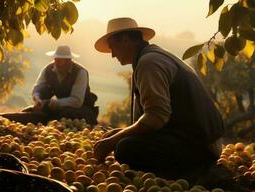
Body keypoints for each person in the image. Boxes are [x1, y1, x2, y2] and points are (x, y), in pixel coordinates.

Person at [93, 17, 225, 181]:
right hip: (197, 139)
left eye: (113, 47)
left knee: (125, 148)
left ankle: (186, 175)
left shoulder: (149, 63)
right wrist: (120, 133)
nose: (112, 55)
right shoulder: (154, 57)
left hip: (200, 146)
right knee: (123, 141)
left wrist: (115, 140)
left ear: (125, 40)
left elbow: (156, 117)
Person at [2, 45, 99, 125]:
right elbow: (38, 87)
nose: (57, 63)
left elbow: (76, 101)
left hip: (81, 109)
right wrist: (38, 99)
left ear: (68, 61)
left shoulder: (80, 72)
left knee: (63, 114)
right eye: (56, 59)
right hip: (58, 106)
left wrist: (52, 104)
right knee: (28, 111)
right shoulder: (49, 69)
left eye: (60, 60)